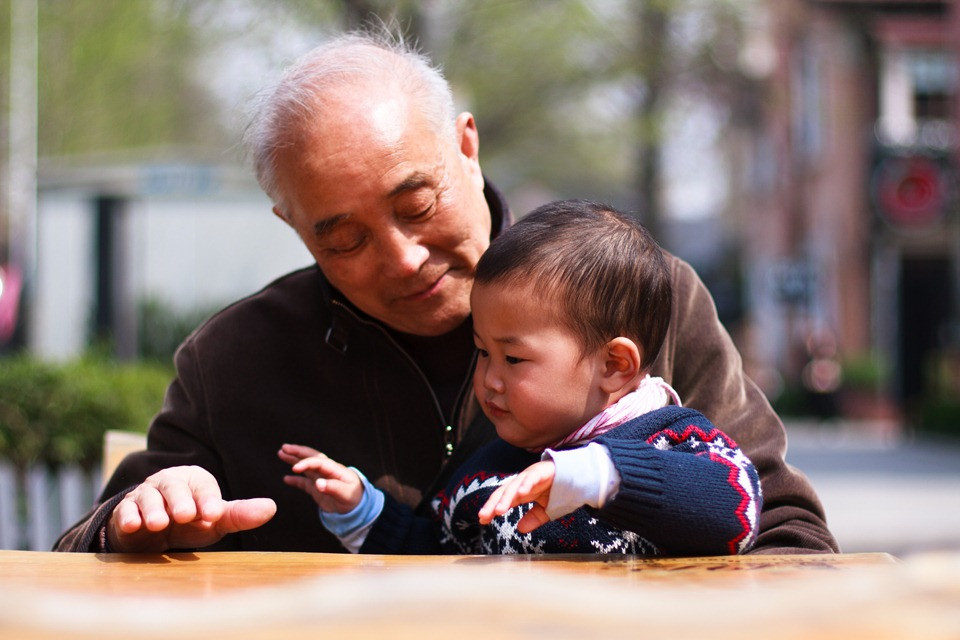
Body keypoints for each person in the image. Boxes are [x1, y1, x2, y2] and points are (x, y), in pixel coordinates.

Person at [54, 29, 837, 555]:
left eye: (416, 204)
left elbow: (789, 533)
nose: (400, 258)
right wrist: (142, 520)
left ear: (466, 146)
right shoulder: (234, 361)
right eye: (344, 238)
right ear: (292, 226)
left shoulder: (641, 298)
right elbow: (81, 549)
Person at [280, 200, 762, 556]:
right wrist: (364, 512)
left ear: (614, 365)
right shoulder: (490, 470)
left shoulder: (673, 441)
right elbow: (434, 550)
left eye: (513, 360)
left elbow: (736, 508)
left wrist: (595, 474)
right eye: (482, 353)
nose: (489, 378)